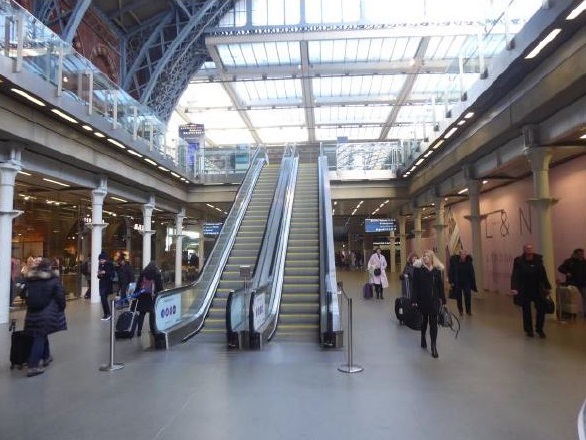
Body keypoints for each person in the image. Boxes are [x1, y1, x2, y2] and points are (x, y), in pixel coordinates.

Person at [23, 258, 67, 377]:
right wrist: (62, 307)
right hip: (46, 312)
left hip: (32, 312)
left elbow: (24, 294)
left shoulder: (31, 278)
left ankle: (46, 356)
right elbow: (60, 296)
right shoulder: (53, 280)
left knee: (41, 333)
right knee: (40, 337)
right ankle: (33, 366)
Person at [510, 244, 552, 338]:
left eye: (530, 249)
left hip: (537, 288)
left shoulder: (538, 260)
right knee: (526, 310)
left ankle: (539, 328)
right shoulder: (519, 261)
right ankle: (529, 330)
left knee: (541, 308)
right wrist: (514, 288)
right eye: (527, 249)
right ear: (524, 250)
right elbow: (515, 275)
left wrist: (547, 286)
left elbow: (543, 274)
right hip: (525, 288)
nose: (529, 251)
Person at [411, 250, 446, 358]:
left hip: (434, 301)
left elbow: (440, 286)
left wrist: (443, 300)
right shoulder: (418, 270)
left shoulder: (436, 270)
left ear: (432, 258)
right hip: (422, 300)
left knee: (433, 324)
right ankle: (423, 337)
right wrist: (414, 300)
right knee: (424, 321)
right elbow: (415, 286)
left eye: (427, 256)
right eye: (424, 256)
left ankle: (433, 346)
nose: (425, 258)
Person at [132, 261, 163, 337]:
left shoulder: (143, 273)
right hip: (152, 296)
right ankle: (153, 330)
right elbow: (159, 286)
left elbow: (138, 285)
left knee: (142, 314)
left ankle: (139, 330)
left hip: (143, 296)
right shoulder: (157, 274)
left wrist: (135, 295)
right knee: (153, 314)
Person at [557, 248, 586, 318]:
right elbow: (560, 268)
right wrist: (567, 273)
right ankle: (571, 313)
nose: (581, 255)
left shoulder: (585, 262)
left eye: (582, 254)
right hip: (572, 283)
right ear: (575, 254)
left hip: (583, 283)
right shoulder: (569, 261)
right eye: (579, 254)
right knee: (571, 300)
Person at [448, 249, 478, 316]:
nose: (464, 255)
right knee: (459, 297)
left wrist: (473, 281)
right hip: (457, 282)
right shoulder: (455, 262)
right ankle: (460, 310)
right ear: (460, 255)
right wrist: (451, 281)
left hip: (467, 282)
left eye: (465, 254)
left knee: (468, 296)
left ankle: (468, 311)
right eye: (463, 254)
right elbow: (451, 272)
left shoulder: (469, 262)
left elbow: (472, 272)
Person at [97, 252, 115, 321]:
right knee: (102, 299)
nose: (101, 261)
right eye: (100, 260)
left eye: (102, 260)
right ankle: (106, 313)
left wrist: (105, 272)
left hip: (107, 284)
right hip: (102, 283)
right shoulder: (100, 265)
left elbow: (112, 274)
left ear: (105, 259)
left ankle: (108, 314)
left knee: (104, 298)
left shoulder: (109, 264)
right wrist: (99, 274)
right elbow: (99, 276)